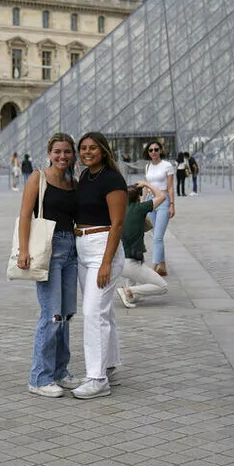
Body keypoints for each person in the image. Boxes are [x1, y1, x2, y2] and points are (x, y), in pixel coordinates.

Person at [18, 133, 81, 398]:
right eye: (57, 151)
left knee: (66, 315)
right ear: (49, 153)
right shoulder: (38, 178)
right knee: (51, 315)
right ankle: (39, 377)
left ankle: (59, 371)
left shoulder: (73, 183)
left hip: (71, 250)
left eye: (67, 151)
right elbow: (24, 215)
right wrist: (23, 250)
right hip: (48, 248)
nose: (62, 156)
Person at [72, 132, 127, 400]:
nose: (87, 152)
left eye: (93, 148)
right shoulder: (85, 176)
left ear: (103, 150)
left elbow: (117, 223)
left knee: (93, 313)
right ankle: (109, 364)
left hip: (103, 248)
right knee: (103, 312)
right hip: (84, 247)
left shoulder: (112, 179)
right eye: (83, 148)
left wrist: (106, 262)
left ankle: (97, 378)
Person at [116, 181, 169, 309]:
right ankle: (128, 291)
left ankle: (130, 294)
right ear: (138, 198)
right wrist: (147, 184)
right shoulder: (139, 209)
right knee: (162, 287)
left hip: (119, 259)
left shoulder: (118, 209)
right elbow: (162, 196)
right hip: (130, 262)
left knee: (133, 279)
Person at [143, 140, 175, 276]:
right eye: (151, 150)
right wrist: (142, 203)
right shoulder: (147, 166)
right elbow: (146, 185)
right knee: (156, 235)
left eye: (156, 149)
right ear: (148, 152)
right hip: (151, 200)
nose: (154, 152)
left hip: (163, 200)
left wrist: (172, 204)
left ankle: (153, 267)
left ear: (161, 150)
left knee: (158, 237)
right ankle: (162, 267)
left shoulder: (167, 166)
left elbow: (170, 187)